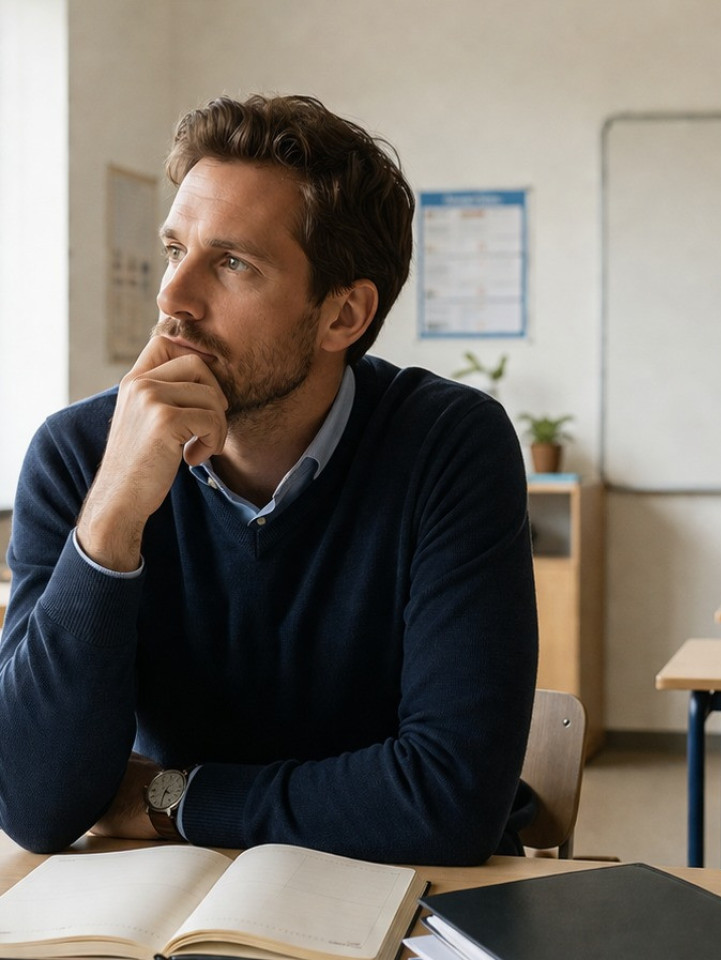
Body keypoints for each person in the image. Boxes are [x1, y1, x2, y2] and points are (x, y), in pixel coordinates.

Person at [0, 94, 539, 864]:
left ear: (343, 316)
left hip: (398, 893)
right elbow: (36, 805)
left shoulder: (448, 445)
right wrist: (114, 514)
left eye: (232, 264)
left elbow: (448, 802)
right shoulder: (81, 454)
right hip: (166, 900)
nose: (172, 299)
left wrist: (171, 798)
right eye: (174, 250)